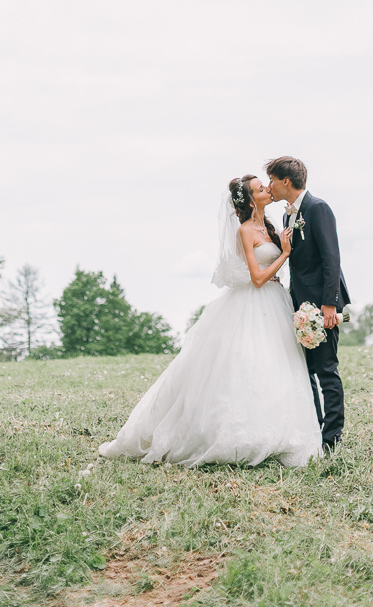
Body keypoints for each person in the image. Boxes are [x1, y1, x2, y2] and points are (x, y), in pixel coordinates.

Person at [98, 175, 322, 467]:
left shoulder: (270, 226)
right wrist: (285, 254)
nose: (268, 189)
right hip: (252, 302)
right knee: (245, 365)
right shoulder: (245, 230)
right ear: (252, 200)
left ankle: (281, 432)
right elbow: (255, 279)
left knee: (276, 364)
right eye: (260, 188)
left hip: (274, 303)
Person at [266, 156, 350, 452]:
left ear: (285, 181)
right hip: (299, 304)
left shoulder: (318, 209)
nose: (269, 187)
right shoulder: (289, 216)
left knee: (326, 369)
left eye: (272, 181)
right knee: (306, 371)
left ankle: (333, 438)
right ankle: (314, 431)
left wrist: (330, 303)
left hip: (322, 306)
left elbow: (331, 258)